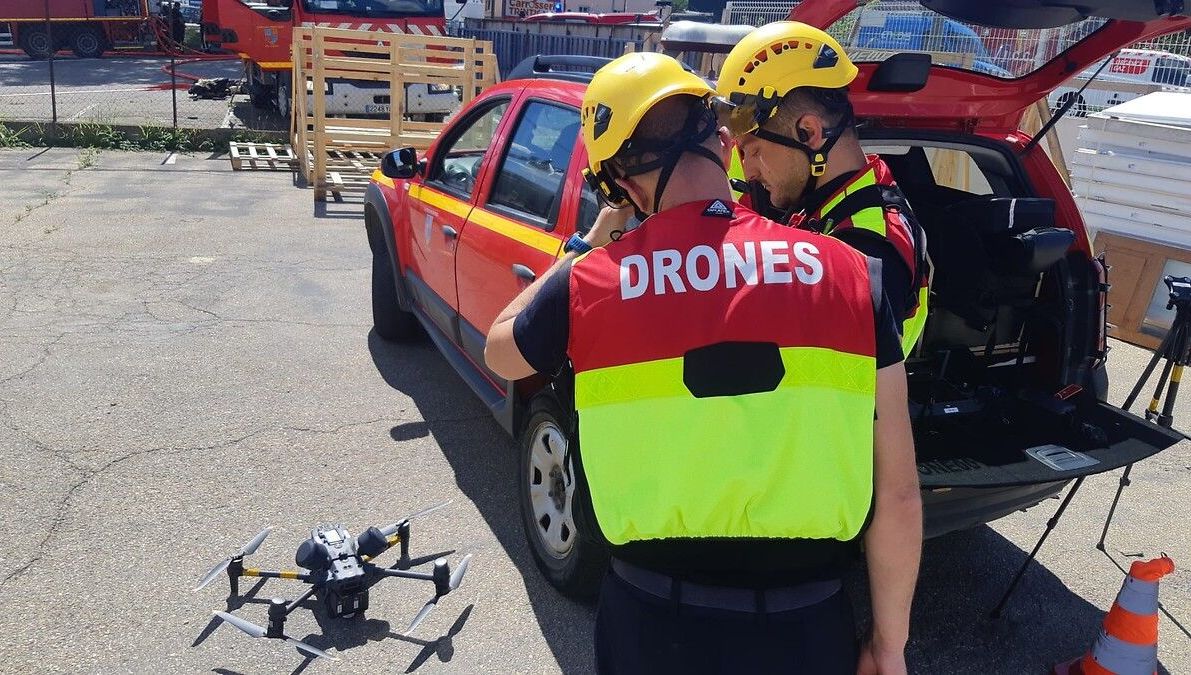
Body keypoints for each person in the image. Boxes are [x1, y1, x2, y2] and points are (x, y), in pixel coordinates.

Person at [484, 51, 922, 674]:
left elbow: (500, 349)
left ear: (622, 188)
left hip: (650, 625)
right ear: (723, 141)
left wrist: (590, 242)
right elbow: (898, 495)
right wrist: (888, 645)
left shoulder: (593, 283)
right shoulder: (854, 275)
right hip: (806, 624)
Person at [714, 21, 930, 356]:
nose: (750, 171)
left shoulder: (867, 248)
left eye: (753, 151)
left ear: (809, 133)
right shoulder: (832, 198)